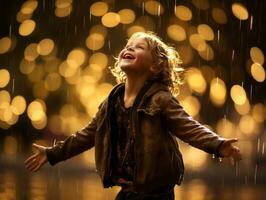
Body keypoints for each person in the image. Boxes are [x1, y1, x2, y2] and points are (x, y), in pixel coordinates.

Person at [25, 32, 241, 200]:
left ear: (155, 66)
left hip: (157, 194)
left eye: (139, 47)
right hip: (128, 190)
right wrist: (52, 154)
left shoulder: (161, 100)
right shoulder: (110, 103)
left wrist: (219, 145)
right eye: (128, 45)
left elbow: (189, 128)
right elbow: (86, 136)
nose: (129, 48)